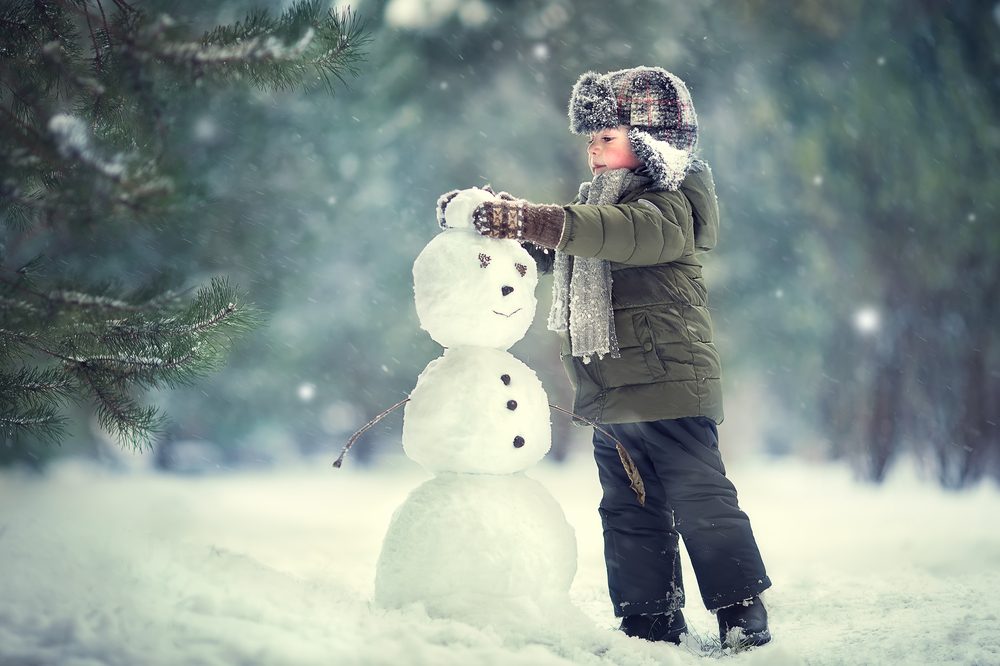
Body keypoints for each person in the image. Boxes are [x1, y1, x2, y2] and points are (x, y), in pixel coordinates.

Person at [442, 66, 772, 647]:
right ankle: (648, 620)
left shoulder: (669, 206)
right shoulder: (594, 206)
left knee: (701, 501)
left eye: (608, 138)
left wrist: (532, 217)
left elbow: (609, 233)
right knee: (628, 511)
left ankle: (741, 612)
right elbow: (557, 247)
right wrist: (491, 224)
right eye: (590, 140)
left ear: (648, 142)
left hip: (670, 383)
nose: (594, 151)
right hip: (611, 392)